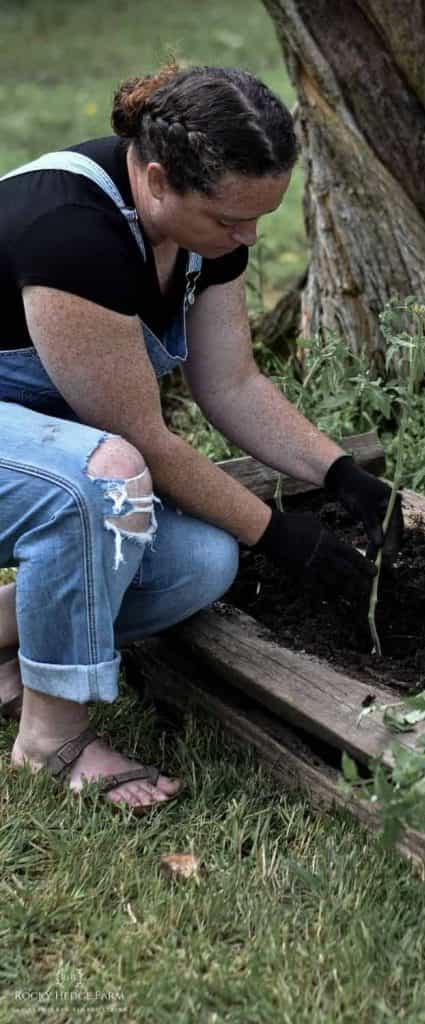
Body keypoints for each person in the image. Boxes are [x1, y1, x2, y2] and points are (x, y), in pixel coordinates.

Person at [0, 63, 403, 813]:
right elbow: (140, 441)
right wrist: (280, 534)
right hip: (43, 449)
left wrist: (340, 471)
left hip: (32, 442)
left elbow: (232, 385)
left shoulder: (204, 236)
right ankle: (50, 740)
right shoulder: (71, 234)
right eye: (228, 220)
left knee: (197, 561)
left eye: (260, 219)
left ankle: (13, 647)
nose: (246, 238)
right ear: (156, 180)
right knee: (107, 477)